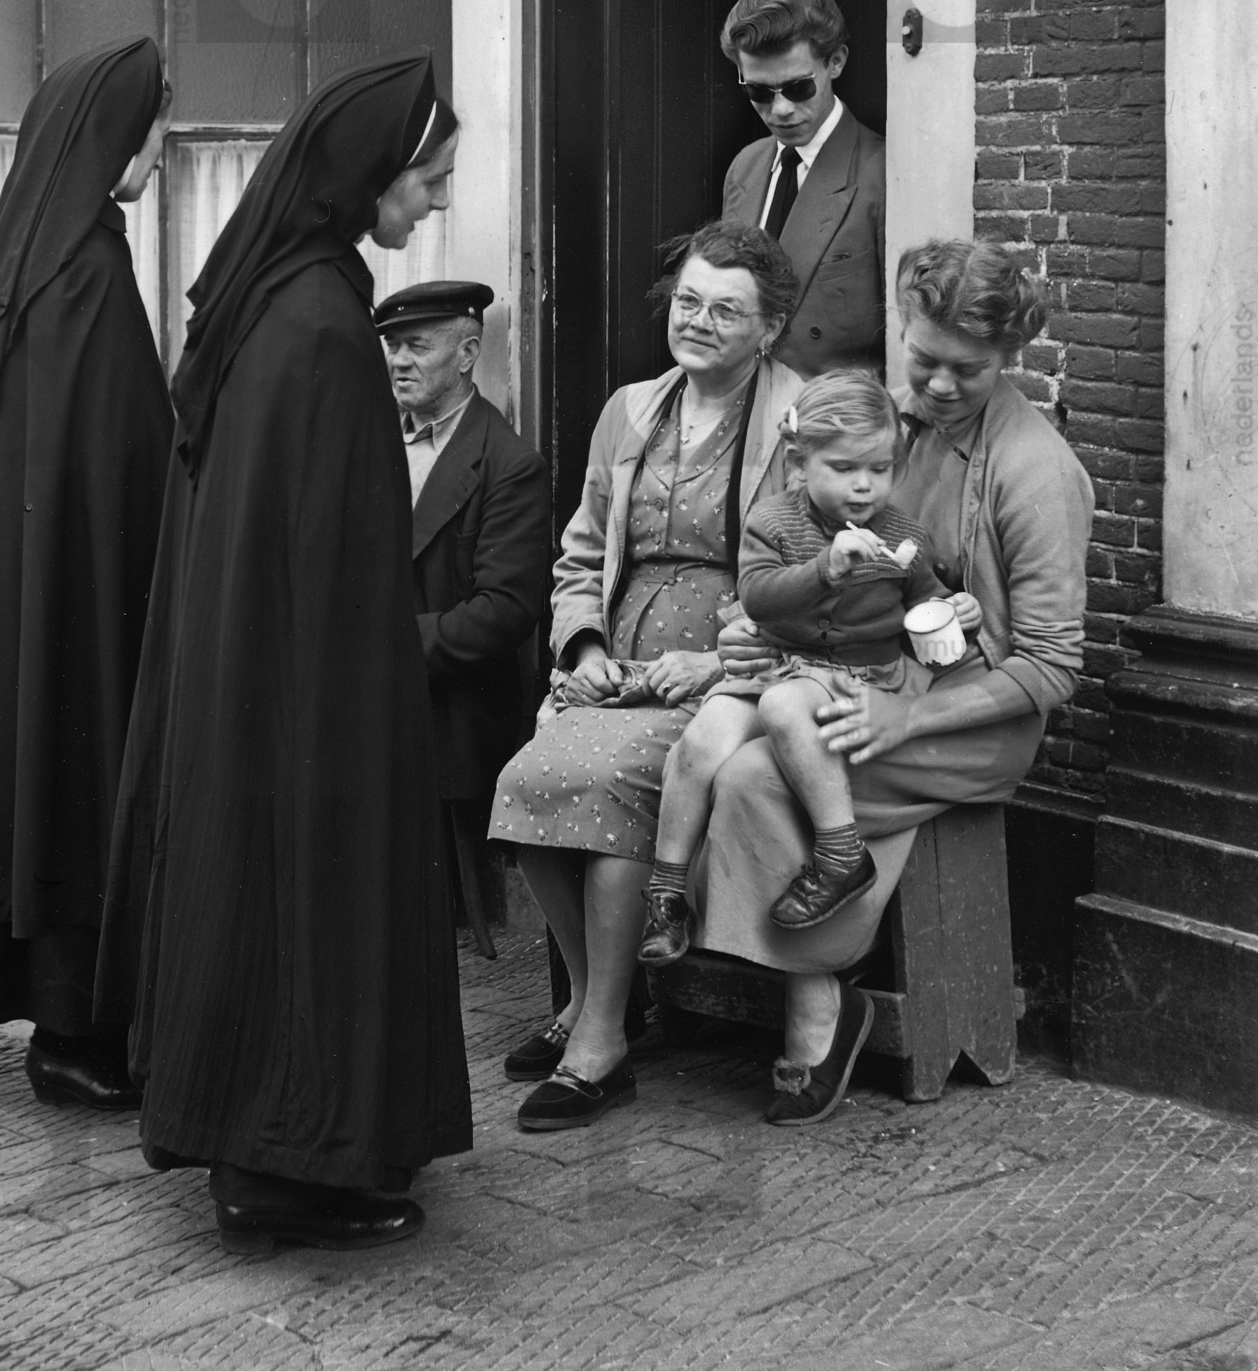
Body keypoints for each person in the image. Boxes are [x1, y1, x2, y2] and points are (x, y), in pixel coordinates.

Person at [96, 52, 472, 1256]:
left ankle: (270, 1143)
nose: (437, 199)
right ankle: (286, 1165)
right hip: (309, 688)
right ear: (368, 173)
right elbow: (327, 553)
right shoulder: (320, 325)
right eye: (427, 176)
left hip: (255, 672)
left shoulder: (280, 294)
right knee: (307, 897)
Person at [691, 239, 1095, 1126]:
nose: (938, 386)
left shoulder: (1036, 474)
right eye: (923, 359)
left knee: (758, 776)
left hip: (974, 718)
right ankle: (798, 964)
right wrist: (761, 631)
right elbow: (805, 548)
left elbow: (1052, 666)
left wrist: (904, 721)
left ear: (1009, 357)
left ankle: (820, 1000)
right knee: (708, 747)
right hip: (869, 675)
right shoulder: (891, 429)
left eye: (968, 370)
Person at [0, 38, 173, 1110]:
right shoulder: (89, 274)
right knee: (84, 777)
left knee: (46, 774)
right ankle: (72, 1034)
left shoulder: (17, 265)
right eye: (155, 129)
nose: (161, 152)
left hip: (29, 594)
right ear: (113, 137)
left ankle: (69, 1022)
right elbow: (126, 455)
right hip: (87, 594)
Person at [490, 221, 802, 1130]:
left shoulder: (797, 422)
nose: (697, 322)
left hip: (723, 679)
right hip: (619, 669)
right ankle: (606, 1001)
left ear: (770, 329)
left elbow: (814, 579)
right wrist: (583, 649)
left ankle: (597, 1044)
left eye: (726, 311)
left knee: (611, 786)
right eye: (688, 301)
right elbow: (582, 555)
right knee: (525, 780)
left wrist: (718, 660)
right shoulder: (630, 410)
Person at [637, 372, 973, 968]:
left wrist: (953, 609)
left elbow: (924, 601)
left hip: (856, 676)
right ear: (799, 463)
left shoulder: (904, 536)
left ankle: (841, 853)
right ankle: (667, 894)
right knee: (699, 743)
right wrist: (826, 569)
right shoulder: (773, 522)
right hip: (775, 663)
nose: (864, 485)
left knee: (784, 706)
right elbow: (759, 598)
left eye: (880, 469)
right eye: (843, 468)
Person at [373, 280, 552, 953]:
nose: (399, 361)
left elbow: (503, 613)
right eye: (392, 346)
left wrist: (376, 648)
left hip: (445, 701)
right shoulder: (369, 440)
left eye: (417, 346)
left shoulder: (508, 463)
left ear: (469, 353)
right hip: (363, 680)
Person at [720, 0, 885, 377]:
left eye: (797, 88)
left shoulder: (882, 174)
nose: (779, 111)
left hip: (832, 410)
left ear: (836, 62)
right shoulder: (745, 167)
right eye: (759, 92)